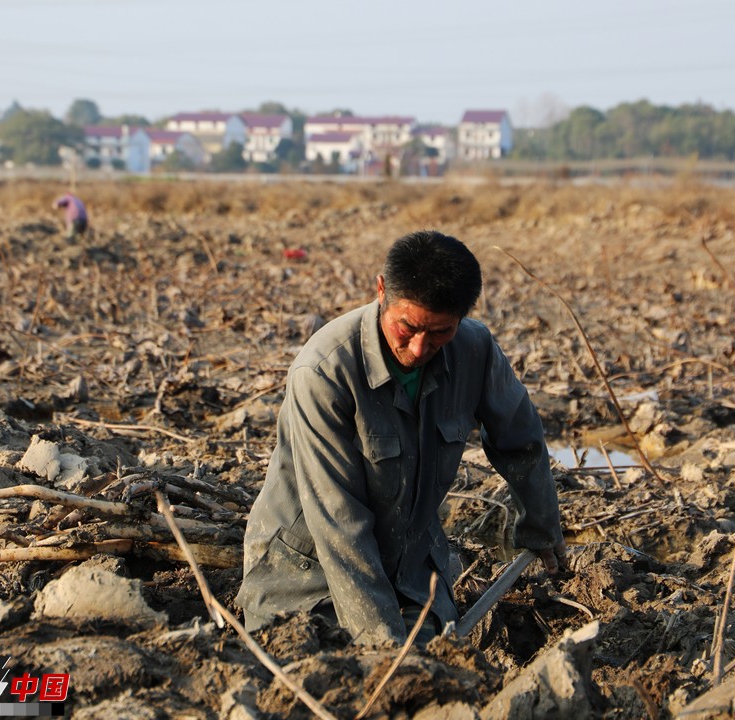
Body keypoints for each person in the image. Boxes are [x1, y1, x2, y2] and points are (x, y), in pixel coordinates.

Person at [235, 230, 567, 646]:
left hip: (410, 565)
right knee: (343, 667)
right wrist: (384, 651)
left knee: (439, 660)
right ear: (381, 291)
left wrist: (541, 528)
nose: (419, 348)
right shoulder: (324, 372)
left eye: (440, 332)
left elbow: (520, 439)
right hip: (306, 576)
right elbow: (338, 522)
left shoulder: (475, 351)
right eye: (407, 327)